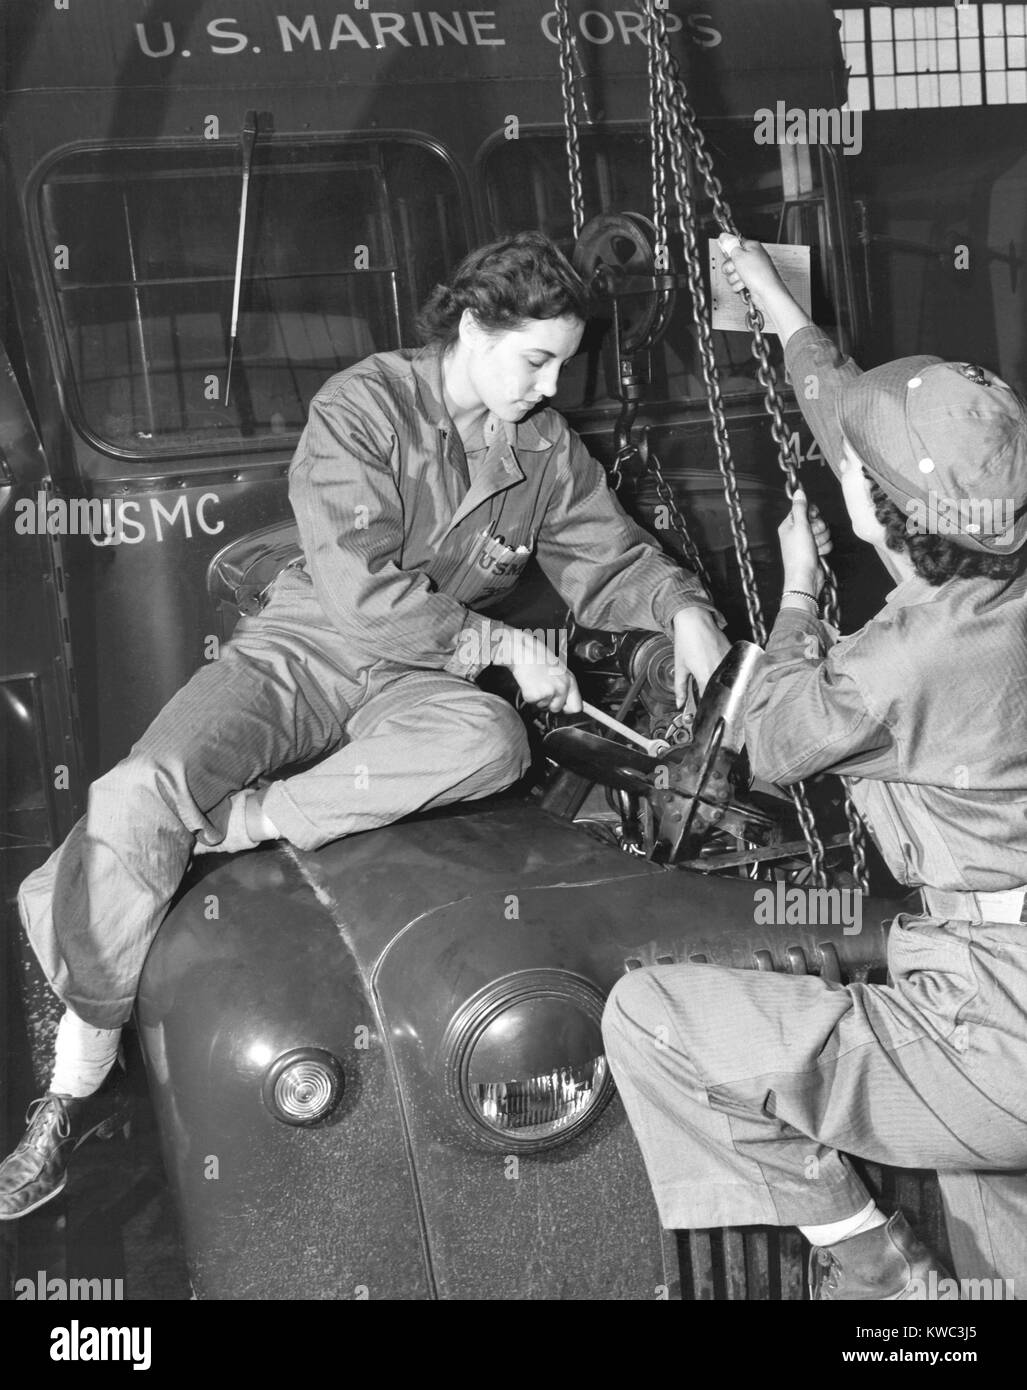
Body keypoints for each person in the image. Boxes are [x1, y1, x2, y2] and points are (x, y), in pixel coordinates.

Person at [0, 231, 729, 1219]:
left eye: (564, 360)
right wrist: (501, 646)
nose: (553, 383)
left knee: (490, 743)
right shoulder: (362, 405)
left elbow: (610, 555)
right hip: (306, 644)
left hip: (417, 676)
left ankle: (239, 825)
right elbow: (360, 591)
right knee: (137, 791)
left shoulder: (542, 447)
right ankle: (69, 1093)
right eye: (536, 358)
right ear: (472, 329)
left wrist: (680, 609)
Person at [602, 233, 1027, 1300]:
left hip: (1001, 1015)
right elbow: (847, 406)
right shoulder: (986, 553)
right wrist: (778, 305)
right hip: (991, 976)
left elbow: (768, 733)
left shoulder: (905, 660)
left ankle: (884, 1278)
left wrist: (793, 595)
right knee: (999, 1220)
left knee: (653, 1019)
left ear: (868, 510)